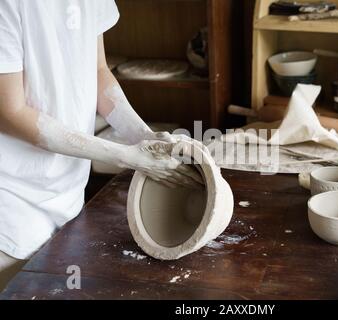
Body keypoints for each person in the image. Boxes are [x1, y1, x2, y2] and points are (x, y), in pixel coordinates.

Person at [0, 0, 201, 291]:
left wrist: (142, 136)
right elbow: (10, 112)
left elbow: (97, 70)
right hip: (12, 201)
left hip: (67, 191)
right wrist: (125, 155)